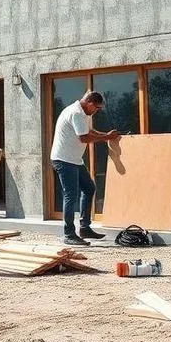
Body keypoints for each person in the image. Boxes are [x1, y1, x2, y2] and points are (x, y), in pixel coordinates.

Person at [50, 91, 120, 246]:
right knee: (70, 195)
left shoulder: (84, 114)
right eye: (96, 108)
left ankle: (84, 228)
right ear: (90, 103)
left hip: (75, 160)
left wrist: (106, 135)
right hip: (63, 160)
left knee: (89, 188)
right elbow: (84, 138)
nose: (96, 111)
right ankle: (69, 234)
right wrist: (106, 137)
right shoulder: (76, 113)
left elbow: (89, 131)